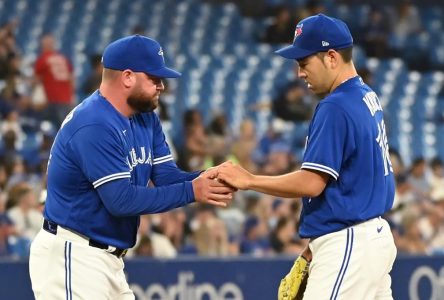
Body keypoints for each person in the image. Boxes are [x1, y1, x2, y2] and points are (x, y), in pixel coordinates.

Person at [29, 35, 235, 299]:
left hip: (106, 259)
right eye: (154, 78)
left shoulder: (145, 116)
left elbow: (166, 177)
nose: (162, 86)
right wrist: (194, 190)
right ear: (127, 77)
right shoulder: (94, 124)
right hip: (73, 254)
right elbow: (121, 200)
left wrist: (212, 177)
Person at [217, 14, 397, 299]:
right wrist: (314, 245)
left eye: (304, 63)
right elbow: (350, 181)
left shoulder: (335, 106)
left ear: (332, 57)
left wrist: (249, 180)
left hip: (349, 242)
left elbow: (312, 183)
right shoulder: (365, 95)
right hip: (369, 236)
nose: (300, 73)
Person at [34, 34, 75, 128]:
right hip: (66, 98)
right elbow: (71, 78)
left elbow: (36, 80)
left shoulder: (43, 59)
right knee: (65, 128)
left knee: (52, 128)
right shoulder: (63, 58)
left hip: (52, 99)